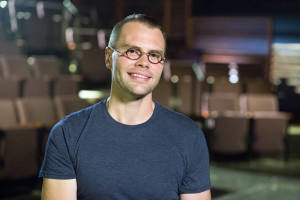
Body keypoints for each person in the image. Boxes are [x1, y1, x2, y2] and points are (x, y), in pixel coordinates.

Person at [39, 14, 211, 200]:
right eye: (132, 51)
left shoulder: (188, 135)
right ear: (108, 58)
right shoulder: (68, 134)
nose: (144, 62)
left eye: (154, 55)